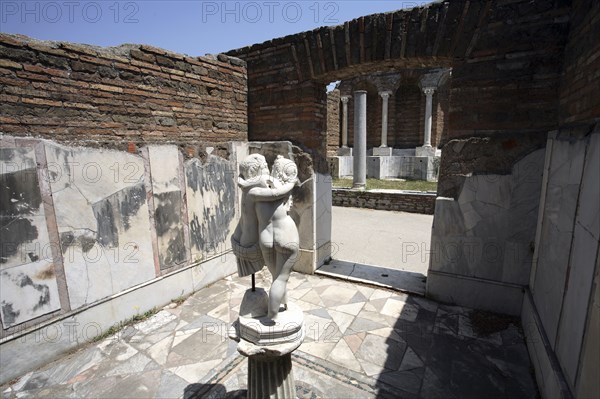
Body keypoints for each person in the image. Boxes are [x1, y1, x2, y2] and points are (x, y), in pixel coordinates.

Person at [246, 156, 299, 319]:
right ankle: (272, 317)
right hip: (286, 234)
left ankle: (283, 302)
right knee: (281, 278)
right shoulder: (284, 188)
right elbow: (279, 192)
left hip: (266, 237)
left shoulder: (254, 192)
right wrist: (291, 182)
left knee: (276, 276)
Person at [231, 154, 270, 277]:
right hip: (250, 242)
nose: (268, 169)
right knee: (253, 268)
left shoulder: (246, 186)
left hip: (239, 235)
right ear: (253, 171)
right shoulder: (258, 187)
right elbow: (271, 184)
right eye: (265, 166)